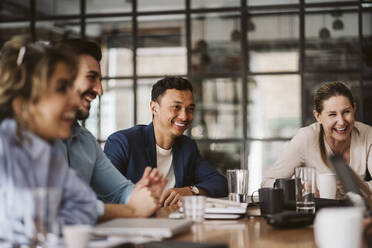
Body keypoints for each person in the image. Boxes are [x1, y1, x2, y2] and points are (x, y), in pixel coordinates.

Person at [0, 36, 98, 242]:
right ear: (23, 103)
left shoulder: (47, 151)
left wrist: (49, 228)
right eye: (62, 88)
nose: (74, 100)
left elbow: (87, 206)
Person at [57, 38, 166, 220]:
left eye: (100, 80)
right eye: (91, 77)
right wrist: (133, 210)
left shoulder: (85, 140)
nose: (100, 90)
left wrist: (141, 194)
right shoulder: (25, 136)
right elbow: (59, 209)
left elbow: (120, 190)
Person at [104, 76, 228, 206]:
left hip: (175, 221)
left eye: (190, 109)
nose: (184, 116)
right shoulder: (122, 142)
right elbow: (107, 193)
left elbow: (220, 182)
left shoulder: (187, 146)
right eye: (176, 107)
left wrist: (191, 191)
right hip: (134, 222)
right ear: (154, 108)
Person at [261, 81, 372, 190]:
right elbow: (267, 182)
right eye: (332, 114)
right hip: (315, 208)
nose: (341, 121)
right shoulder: (306, 137)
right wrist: (300, 187)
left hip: (358, 208)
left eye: (346, 112)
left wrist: (359, 187)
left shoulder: (368, 134)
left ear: (354, 109)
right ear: (318, 116)